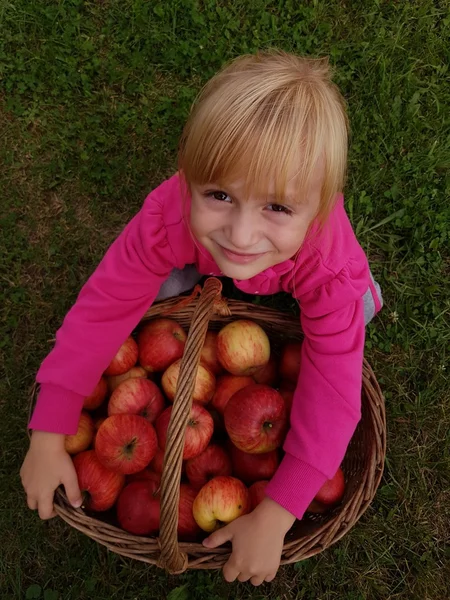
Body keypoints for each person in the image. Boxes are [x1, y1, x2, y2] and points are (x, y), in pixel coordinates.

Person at [20, 49, 383, 586]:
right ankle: (196, 271)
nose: (241, 234)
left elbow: (333, 389)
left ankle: (348, 293)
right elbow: (102, 307)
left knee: (351, 314)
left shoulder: (326, 263)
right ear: (187, 175)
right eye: (218, 194)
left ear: (324, 205)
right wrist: (50, 429)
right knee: (143, 297)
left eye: (278, 208)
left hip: (306, 271)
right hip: (192, 250)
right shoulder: (168, 216)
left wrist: (279, 510)